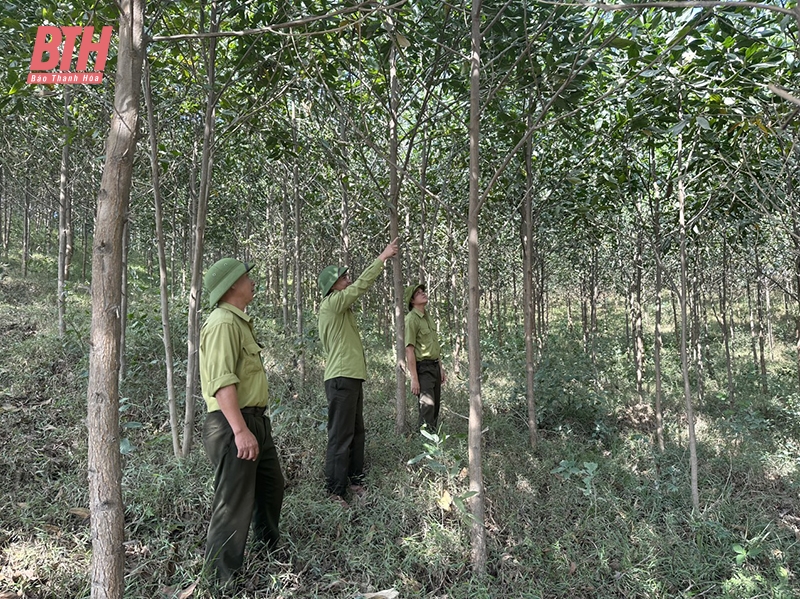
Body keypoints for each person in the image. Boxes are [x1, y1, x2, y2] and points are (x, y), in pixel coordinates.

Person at [199, 258, 284, 583]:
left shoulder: (239, 322)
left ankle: (268, 550)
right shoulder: (222, 322)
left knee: (271, 487)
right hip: (232, 423)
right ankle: (221, 581)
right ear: (232, 285)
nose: (252, 281)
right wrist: (239, 430)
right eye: (247, 277)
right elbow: (222, 383)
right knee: (233, 504)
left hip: (253, 421)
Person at [317, 238, 399, 507]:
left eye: (347, 276)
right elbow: (362, 285)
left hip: (350, 376)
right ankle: (334, 491)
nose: (349, 280)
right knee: (340, 435)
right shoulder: (331, 304)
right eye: (344, 278)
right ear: (333, 286)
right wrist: (382, 258)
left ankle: (354, 480)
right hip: (340, 377)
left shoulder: (342, 310)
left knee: (356, 431)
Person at [404, 283, 445, 430]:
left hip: (434, 366)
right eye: (418, 293)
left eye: (423, 291)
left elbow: (434, 345)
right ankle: (424, 444)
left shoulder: (428, 317)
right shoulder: (411, 319)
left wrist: (440, 368)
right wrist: (414, 378)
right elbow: (409, 349)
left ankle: (433, 442)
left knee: (435, 408)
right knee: (427, 406)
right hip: (423, 369)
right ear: (412, 301)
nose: (423, 294)